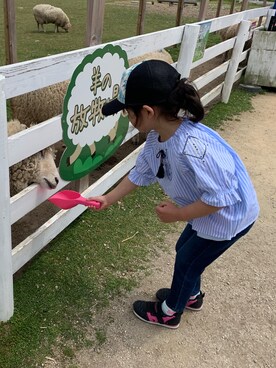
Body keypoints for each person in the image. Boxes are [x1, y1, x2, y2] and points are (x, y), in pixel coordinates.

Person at [88, 60, 259, 329]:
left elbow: (220, 199)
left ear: (146, 111)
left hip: (229, 217)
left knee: (187, 261)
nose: (127, 119)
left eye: (127, 113)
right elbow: (140, 173)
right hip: (207, 211)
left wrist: (179, 214)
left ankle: (170, 311)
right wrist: (108, 198)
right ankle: (190, 295)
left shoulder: (193, 148)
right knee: (185, 251)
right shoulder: (158, 138)